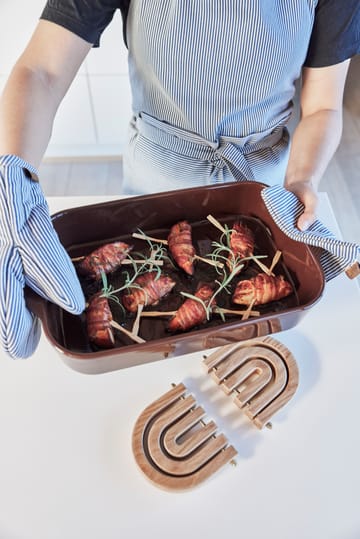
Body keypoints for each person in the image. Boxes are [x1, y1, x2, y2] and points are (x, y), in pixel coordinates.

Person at [0, 0, 359, 358]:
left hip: (257, 194)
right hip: (151, 187)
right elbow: (41, 70)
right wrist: (11, 178)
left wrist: (302, 178)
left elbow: (323, 106)